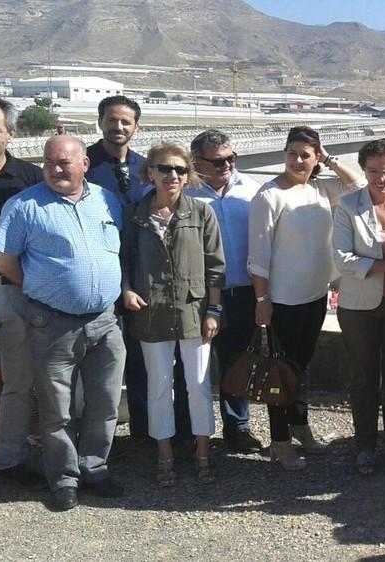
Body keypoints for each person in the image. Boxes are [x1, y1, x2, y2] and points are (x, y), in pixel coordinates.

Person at [0, 136, 126, 511]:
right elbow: (3, 260)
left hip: (104, 321)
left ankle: (94, 468)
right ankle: (64, 478)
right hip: (52, 324)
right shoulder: (24, 206)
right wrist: (38, 286)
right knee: (57, 410)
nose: (55, 169)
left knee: (105, 402)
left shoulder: (106, 200)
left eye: (64, 162)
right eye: (49, 162)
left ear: (84, 164)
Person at [248, 126, 365, 470]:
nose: (298, 161)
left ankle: (300, 427)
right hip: (283, 300)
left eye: (306, 155)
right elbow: (258, 256)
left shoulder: (320, 189)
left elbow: (358, 186)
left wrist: (329, 159)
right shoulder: (269, 195)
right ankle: (280, 442)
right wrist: (262, 300)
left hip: (315, 295)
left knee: (301, 369)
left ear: (316, 159)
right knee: (280, 373)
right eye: (292, 154)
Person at [85, 95, 189, 443]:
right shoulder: (84, 165)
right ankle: (96, 439)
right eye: (111, 120)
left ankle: (148, 433)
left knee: (145, 360)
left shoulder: (149, 168)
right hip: (100, 275)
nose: (118, 127)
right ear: (100, 122)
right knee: (101, 364)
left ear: (136, 127)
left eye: (125, 122)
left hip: (143, 278)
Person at [121, 142, 225, 487]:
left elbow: (215, 266)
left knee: (198, 385)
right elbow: (123, 259)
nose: (173, 175)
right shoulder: (135, 215)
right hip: (151, 311)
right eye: (165, 168)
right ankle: (164, 452)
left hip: (194, 312)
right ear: (150, 172)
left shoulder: (201, 212)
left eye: (180, 169)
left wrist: (214, 310)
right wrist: (126, 289)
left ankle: (202, 450)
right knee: (159, 385)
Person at [333, 139, 385, 475]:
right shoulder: (348, 205)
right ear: (363, 170)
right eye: (373, 172)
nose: (380, 179)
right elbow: (341, 258)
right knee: (363, 376)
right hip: (359, 306)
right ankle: (365, 446)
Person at [185, 129, 264, 454]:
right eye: (218, 161)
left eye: (231, 158)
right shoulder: (185, 193)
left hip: (243, 291)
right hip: (198, 295)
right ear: (197, 162)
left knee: (239, 362)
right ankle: (192, 431)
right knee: (194, 365)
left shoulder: (252, 190)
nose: (227, 165)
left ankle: (238, 428)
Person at [0, 95, 44, 487]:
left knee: (17, 383)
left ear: (10, 134)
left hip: (11, 293)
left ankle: (11, 460)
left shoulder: (30, 180)